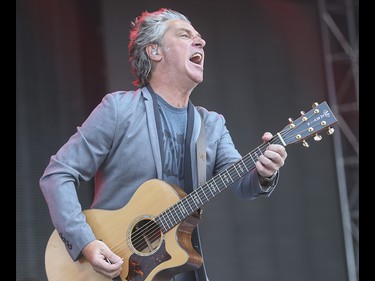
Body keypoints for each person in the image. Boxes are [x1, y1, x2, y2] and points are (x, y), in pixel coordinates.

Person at [40, 7, 287, 281]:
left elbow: (244, 183)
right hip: (111, 269)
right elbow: (57, 175)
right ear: (155, 52)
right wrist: (87, 243)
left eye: (199, 37)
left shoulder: (212, 125)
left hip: (181, 269)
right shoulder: (118, 109)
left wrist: (265, 172)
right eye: (185, 34)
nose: (201, 42)